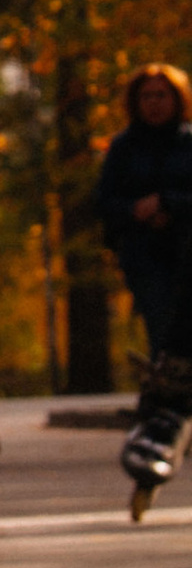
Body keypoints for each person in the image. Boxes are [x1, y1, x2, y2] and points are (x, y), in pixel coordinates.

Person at [99, 67, 192, 512]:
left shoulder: (190, 143)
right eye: (147, 95)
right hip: (147, 258)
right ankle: (162, 427)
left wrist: (170, 205)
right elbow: (105, 203)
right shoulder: (124, 147)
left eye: (163, 95)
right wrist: (135, 214)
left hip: (186, 250)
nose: (155, 103)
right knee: (169, 347)